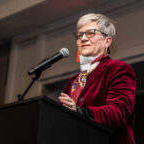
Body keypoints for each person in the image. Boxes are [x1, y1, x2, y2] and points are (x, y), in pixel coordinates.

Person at [58, 13, 136, 144]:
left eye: (90, 33)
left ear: (107, 41)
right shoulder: (73, 81)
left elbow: (118, 113)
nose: (83, 38)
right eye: (80, 35)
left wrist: (80, 112)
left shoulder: (118, 69)